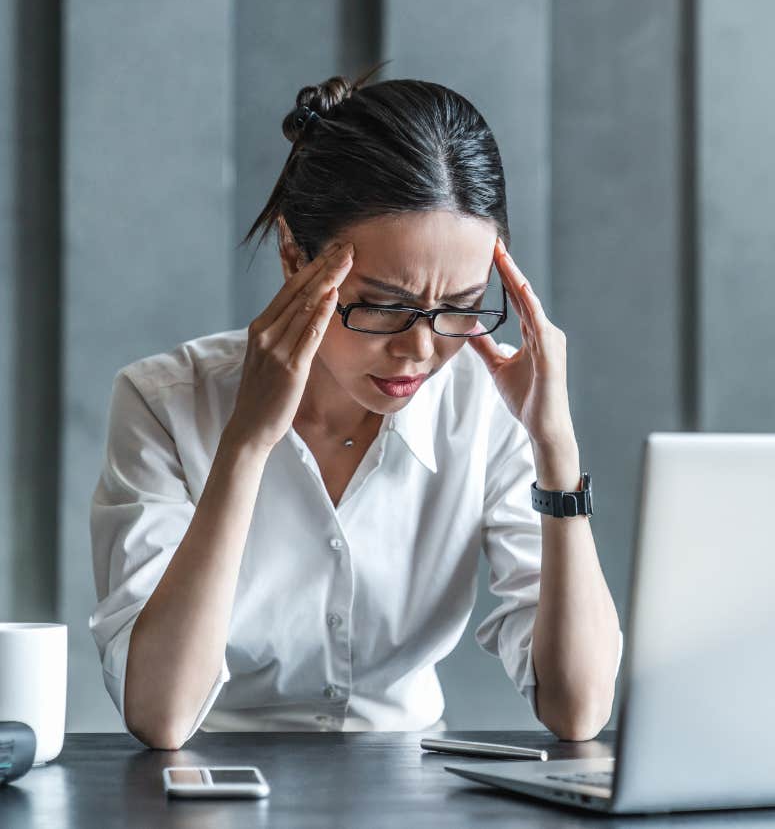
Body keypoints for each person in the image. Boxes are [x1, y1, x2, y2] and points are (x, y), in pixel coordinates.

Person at [88, 64, 623, 751]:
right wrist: (247, 444)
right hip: (215, 783)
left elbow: (578, 710)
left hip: (416, 789)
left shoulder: (488, 413)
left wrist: (557, 449)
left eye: (459, 308)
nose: (420, 351)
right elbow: (160, 716)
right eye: (382, 306)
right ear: (293, 256)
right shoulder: (163, 403)